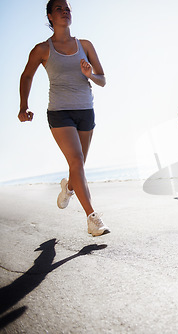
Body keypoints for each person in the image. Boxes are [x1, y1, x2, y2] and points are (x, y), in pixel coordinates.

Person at [18, 0, 109, 236]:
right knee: (77, 162)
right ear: (49, 16)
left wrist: (90, 74)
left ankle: (68, 188)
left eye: (67, 8)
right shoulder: (42, 49)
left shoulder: (85, 45)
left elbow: (102, 80)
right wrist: (23, 106)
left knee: (77, 166)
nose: (65, 11)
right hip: (60, 112)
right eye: (59, 8)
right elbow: (27, 76)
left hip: (85, 111)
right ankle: (92, 217)